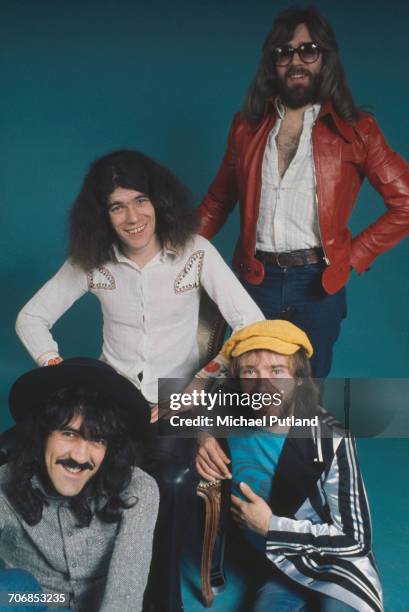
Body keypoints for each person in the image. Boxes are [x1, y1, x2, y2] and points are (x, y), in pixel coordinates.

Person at [15, 149, 264, 612]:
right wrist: (59, 374)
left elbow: (252, 328)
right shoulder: (93, 260)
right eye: (116, 206)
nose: (132, 217)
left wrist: (197, 396)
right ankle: (60, 588)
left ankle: (159, 603)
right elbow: (30, 319)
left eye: (139, 200)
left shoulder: (195, 253)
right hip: (110, 403)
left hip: (176, 404)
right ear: (102, 215)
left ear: (158, 201)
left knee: (165, 482)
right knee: (19, 453)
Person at [197, 6, 409, 378]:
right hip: (255, 280)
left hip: (318, 284)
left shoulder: (358, 130)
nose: (295, 61)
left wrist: (353, 255)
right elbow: (217, 200)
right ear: (272, 63)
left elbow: (405, 202)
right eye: (284, 52)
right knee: (251, 394)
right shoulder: (246, 127)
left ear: (325, 58)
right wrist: (172, 252)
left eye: (307, 50)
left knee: (306, 401)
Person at [196, 320, 383, 611]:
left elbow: (356, 540)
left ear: (299, 378)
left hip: (334, 564)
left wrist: (269, 526)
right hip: (280, 565)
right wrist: (202, 438)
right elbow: (199, 406)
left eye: (277, 371)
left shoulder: (331, 438)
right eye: (250, 372)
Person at [0, 358, 158, 612]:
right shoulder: (4, 483)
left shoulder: (138, 489)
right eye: (69, 434)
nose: (80, 457)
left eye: (98, 440)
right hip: (40, 603)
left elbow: (125, 592)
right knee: (10, 589)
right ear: (42, 435)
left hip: (101, 605)